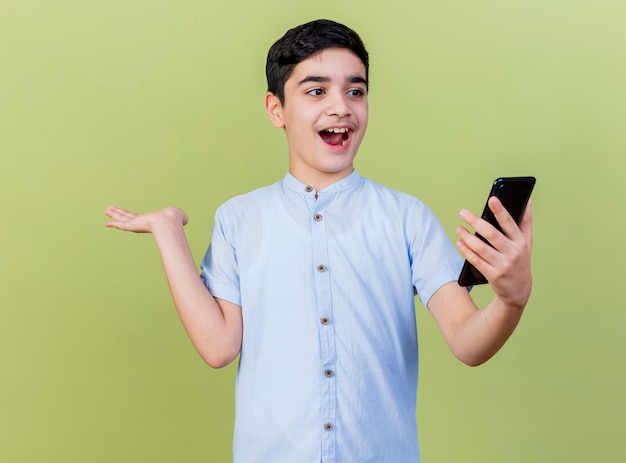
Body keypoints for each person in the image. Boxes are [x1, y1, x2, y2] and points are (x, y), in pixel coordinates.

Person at [104, 19, 532, 463]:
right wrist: (169, 232)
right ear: (276, 109)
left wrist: (510, 300)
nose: (341, 107)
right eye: (316, 91)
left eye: (356, 91)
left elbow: (467, 341)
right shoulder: (239, 219)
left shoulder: (407, 218)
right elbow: (217, 347)